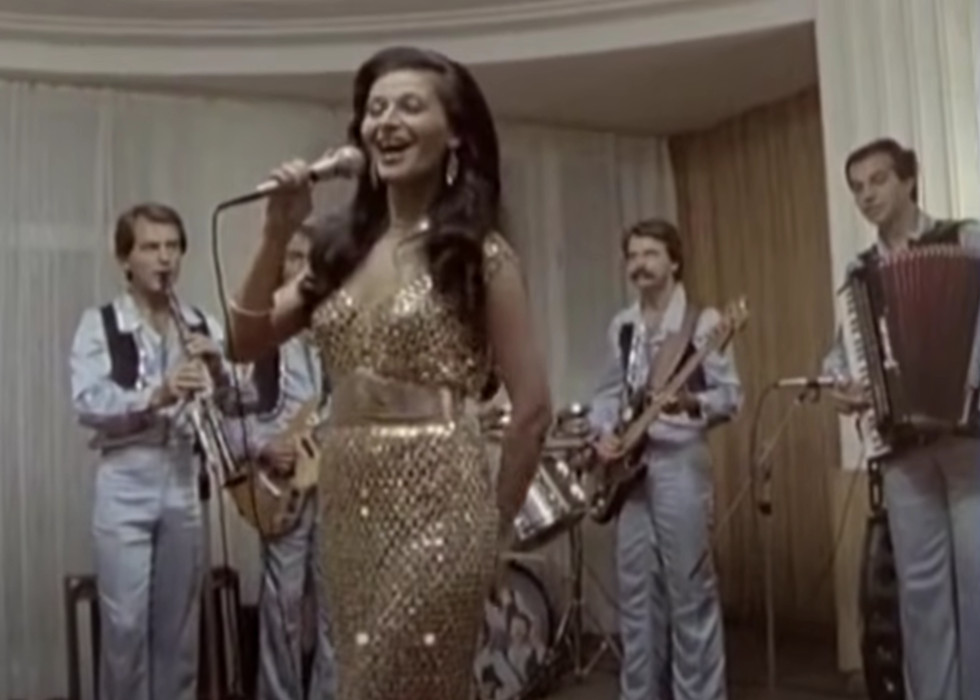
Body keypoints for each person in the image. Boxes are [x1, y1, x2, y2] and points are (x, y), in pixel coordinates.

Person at [225, 45, 552, 700]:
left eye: (409, 106)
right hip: (348, 508)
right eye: (375, 110)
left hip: (442, 507)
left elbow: (534, 410)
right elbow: (243, 339)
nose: (387, 122)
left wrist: (495, 532)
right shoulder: (338, 250)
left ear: (454, 133)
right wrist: (275, 234)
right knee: (359, 678)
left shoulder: (479, 254)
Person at [822, 138, 980, 700]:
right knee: (920, 593)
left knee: (977, 585)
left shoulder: (965, 240)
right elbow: (841, 355)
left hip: (969, 441)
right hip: (902, 447)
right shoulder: (861, 272)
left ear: (909, 180)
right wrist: (843, 382)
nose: (867, 195)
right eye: (857, 188)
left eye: (878, 180)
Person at [69, 202, 233, 700]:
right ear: (126, 259)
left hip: (183, 477)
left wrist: (221, 372)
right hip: (126, 477)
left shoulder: (200, 323)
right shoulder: (100, 323)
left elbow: (236, 408)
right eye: (150, 247)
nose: (164, 258)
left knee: (180, 627)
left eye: (172, 247)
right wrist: (156, 395)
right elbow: (87, 401)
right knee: (124, 626)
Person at [589, 218, 742, 700]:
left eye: (650, 254)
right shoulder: (623, 325)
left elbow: (730, 396)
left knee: (690, 594)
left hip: (680, 464)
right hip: (630, 474)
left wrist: (690, 403)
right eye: (633, 256)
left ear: (674, 261)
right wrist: (603, 433)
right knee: (636, 599)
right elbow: (607, 394)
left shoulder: (704, 322)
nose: (640, 264)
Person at [226, 223, 337, 700]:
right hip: (283, 490)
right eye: (293, 257)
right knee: (282, 609)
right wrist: (265, 447)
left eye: (312, 258)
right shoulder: (263, 339)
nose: (303, 267)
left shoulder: (339, 332)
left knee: (336, 612)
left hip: (336, 488)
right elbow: (228, 420)